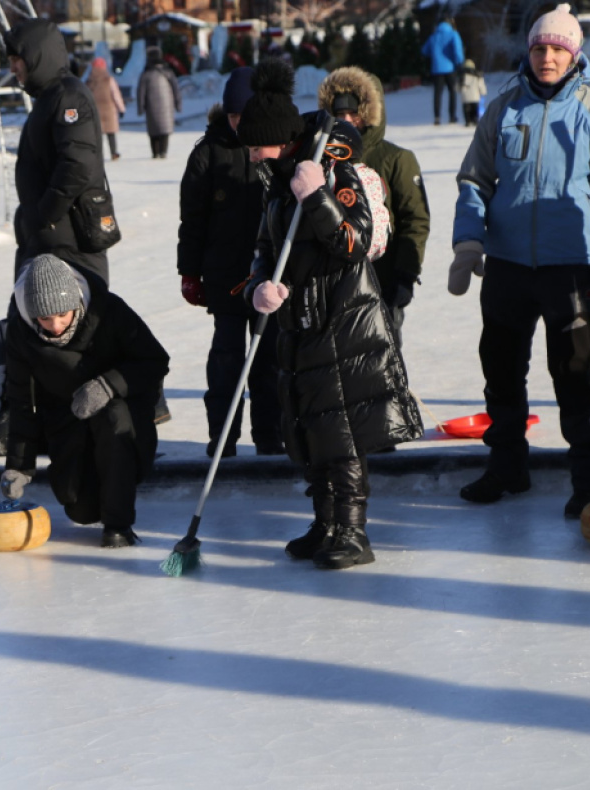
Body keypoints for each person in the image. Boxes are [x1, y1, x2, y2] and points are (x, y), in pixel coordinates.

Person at [237, 60, 422, 569]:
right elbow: (263, 248)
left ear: (278, 138)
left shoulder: (334, 172)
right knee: (311, 428)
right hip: (299, 323)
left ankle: (353, 532)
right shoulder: (276, 180)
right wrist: (259, 289)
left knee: (342, 434)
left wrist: (316, 195)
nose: (252, 155)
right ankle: (325, 523)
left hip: (345, 321)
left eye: (258, 146)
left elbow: (354, 242)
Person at [449, 3, 590, 518]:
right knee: (500, 368)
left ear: (573, 55)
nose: (546, 57)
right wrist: (468, 244)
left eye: (556, 50)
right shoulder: (504, 107)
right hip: (508, 265)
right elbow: (475, 180)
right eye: (539, 48)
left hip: (573, 265)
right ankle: (507, 467)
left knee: (573, 373)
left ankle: (588, 480)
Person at [0, 254, 169, 548]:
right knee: (81, 509)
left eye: (62, 314)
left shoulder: (110, 310)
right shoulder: (19, 333)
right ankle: (95, 501)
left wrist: (108, 385)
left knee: (114, 418)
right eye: (44, 318)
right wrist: (19, 466)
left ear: (77, 301)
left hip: (122, 411)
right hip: (67, 415)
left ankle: (119, 526)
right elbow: (22, 402)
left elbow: (154, 360)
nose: (55, 326)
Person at [176, 66, 284, 458]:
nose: (240, 124)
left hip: (269, 275)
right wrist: (189, 270)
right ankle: (223, 437)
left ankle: (270, 434)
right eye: (234, 116)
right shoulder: (207, 153)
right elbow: (193, 220)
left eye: (246, 115)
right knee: (226, 360)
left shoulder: (273, 147)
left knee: (268, 359)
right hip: (224, 276)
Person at [317, 67, 430, 337]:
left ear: (368, 113)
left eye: (353, 113)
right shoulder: (320, 159)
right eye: (339, 114)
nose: (346, 120)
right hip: (331, 284)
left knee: (382, 359)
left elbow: (414, 220)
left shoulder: (396, 159)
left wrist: (405, 275)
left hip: (383, 279)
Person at [4, 18, 111, 282]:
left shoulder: (67, 96)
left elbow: (78, 163)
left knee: (74, 318)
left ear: (37, 55)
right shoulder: (50, 97)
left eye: (18, 58)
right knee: (31, 317)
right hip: (51, 238)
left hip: (68, 240)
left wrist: (45, 213)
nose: (12, 67)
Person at [137, 46, 182, 159]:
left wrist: (141, 107)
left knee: (153, 129)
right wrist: (178, 103)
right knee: (164, 128)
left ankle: (155, 152)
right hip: (167, 104)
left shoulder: (146, 74)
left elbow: (141, 92)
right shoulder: (168, 71)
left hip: (151, 105)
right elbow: (176, 88)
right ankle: (163, 151)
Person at [421, 17, 465, 124]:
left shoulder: (434, 36)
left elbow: (424, 51)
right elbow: (457, 50)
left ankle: (437, 117)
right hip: (450, 68)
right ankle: (452, 116)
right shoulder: (453, 34)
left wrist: (435, 56)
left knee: (437, 93)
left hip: (436, 69)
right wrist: (460, 62)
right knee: (452, 92)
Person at [86, 56, 125, 162]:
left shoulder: (89, 81)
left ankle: (98, 154)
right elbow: (115, 95)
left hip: (95, 110)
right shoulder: (109, 79)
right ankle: (113, 152)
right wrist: (121, 109)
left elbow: (85, 97)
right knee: (111, 132)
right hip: (109, 109)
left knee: (97, 134)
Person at [458, 59, 487, 126]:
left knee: (466, 110)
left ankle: (467, 121)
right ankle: (475, 120)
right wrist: (483, 92)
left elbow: (457, 88)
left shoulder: (462, 77)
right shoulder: (478, 76)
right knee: (475, 110)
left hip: (465, 98)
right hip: (475, 97)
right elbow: (481, 85)